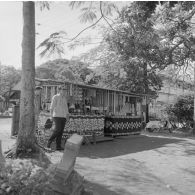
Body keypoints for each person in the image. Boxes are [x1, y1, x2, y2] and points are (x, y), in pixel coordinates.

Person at [47, 85, 69, 150]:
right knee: (58, 130)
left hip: (63, 117)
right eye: (63, 89)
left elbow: (66, 108)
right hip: (56, 116)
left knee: (61, 131)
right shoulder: (55, 97)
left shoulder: (65, 98)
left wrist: (67, 116)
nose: (64, 91)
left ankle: (58, 146)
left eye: (65, 90)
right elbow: (51, 107)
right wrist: (51, 116)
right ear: (59, 90)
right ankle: (49, 141)